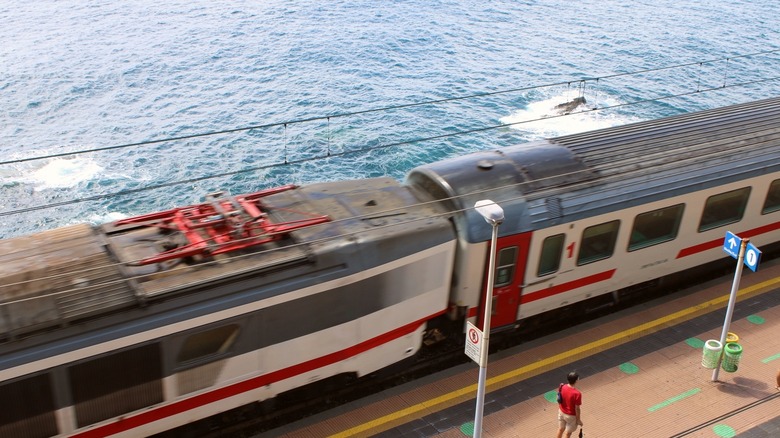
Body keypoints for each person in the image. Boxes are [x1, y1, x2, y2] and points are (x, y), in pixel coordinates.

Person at [556, 371, 583, 438]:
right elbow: (577, 408)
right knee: (568, 433)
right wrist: (578, 420)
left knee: (560, 429)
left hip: (561, 412)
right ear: (577, 380)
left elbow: (558, 398)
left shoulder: (562, 386)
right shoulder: (577, 394)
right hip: (571, 416)